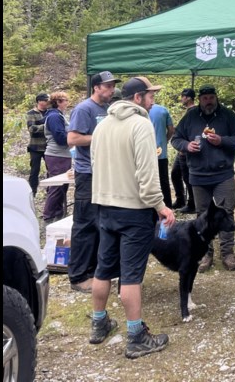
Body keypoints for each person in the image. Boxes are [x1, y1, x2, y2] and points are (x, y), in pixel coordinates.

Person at [89, 76, 176, 359]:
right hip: (133, 211)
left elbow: (93, 164)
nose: (153, 100)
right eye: (150, 95)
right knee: (131, 275)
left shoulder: (102, 125)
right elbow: (147, 175)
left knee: (103, 268)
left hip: (104, 206)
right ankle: (136, 336)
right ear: (137, 98)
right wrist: (161, 206)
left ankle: (99, 323)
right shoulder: (141, 125)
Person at [171, 84, 235, 271]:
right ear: (200, 100)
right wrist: (186, 146)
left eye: (211, 97)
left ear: (216, 98)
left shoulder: (228, 116)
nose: (208, 101)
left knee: (226, 211)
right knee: (202, 215)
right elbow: (175, 139)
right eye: (205, 98)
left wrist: (222, 141)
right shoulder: (191, 116)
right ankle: (205, 253)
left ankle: (227, 253)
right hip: (198, 174)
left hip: (223, 174)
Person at [65, 71, 120, 293]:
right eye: (108, 86)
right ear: (96, 87)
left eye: (113, 86)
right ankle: (78, 277)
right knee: (85, 225)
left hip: (103, 173)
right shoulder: (84, 108)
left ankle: (95, 271)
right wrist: (101, 137)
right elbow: (73, 138)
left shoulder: (107, 110)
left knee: (100, 223)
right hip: (87, 174)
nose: (112, 89)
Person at [42, 91, 73, 223]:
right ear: (58, 102)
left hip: (63, 155)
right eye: (65, 100)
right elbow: (60, 137)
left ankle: (58, 213)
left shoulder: (59, 115)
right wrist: (74, 138)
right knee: (56, 185)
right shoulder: (54, 116)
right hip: (56, 155)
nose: (67, 103)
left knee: (62, 186)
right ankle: (49, 216)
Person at [170, 88, 196, 213]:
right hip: (182, 149)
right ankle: (181, 199)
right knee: (175, 174)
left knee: (187, 177)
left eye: (183, 96)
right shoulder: (188, 111)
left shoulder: (193, 112)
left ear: (189, 98)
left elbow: (191, 131)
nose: (181, 98)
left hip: (185, 150)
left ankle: (192, 204)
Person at [148, 102, 175, 208]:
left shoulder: (139, 111)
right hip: (161, 153)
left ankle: (152, 207)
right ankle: (168, 206)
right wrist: (165, 140)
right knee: (164, 181)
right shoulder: (163, 110)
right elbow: (171, 130)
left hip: (146, 153)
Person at [26, 92, 50, 197]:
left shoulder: (50, 112)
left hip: (48, 146)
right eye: (45, 100)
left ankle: (50, 191)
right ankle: (32, 192)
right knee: (34, 171)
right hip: (35, 147)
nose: (47, 102)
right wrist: (46, 126)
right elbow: (31, 129)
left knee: (51, 170)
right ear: (39, 101)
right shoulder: (31, 113)